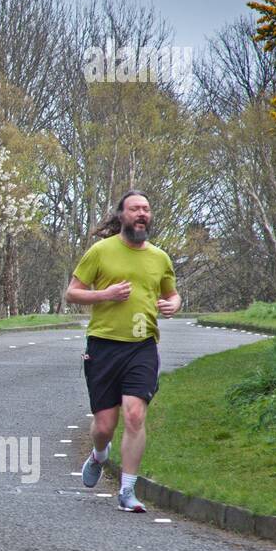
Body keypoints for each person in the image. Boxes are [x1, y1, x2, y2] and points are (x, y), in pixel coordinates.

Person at [65, 190, 180, 513]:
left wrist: (172, 304)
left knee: (134, 414)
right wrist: (106, 294)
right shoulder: (100, 252)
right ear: (121, 216)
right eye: (134, 209)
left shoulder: (160, 258)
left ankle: (128, 490)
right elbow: (72, 293)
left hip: (142, 346)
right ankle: (99, 454)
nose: (141, 214)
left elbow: (173, 294)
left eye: (146, 209)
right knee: (104, 426)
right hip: (103, 345)